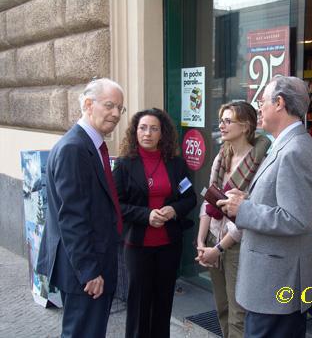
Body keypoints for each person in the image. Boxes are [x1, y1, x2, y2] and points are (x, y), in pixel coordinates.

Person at [218, 76, 312, 337]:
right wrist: (246, 199)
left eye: (262, 101)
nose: (259, 107)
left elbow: (296, 218)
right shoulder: (288, 145)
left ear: (279, 103)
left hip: (275, 286)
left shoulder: (294, 150)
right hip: (273, 284)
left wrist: (242, 208)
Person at [36, 78, 125, 337]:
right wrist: (89, 272)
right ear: (88, 104)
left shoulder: (90, 145)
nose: (116, 114)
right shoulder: (74, 148)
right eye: (110, 105)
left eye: (121, 108)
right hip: (84, 272)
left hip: (92, 265)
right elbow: (72, 218)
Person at [113, 108, 197, 338]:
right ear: (135, 131)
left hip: (169, 244)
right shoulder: (123, 164)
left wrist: (173, 210)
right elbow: (116, 205)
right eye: (142, 128)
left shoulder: (176, 164)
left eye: (153, 128)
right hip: (138, 246)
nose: (147, 133)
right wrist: (146, 215)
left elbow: (190, 198)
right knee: (139, 303)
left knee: (163, 302)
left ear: (163, 133)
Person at [196, 101, 271, 338]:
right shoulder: (221, 157)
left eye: (228, 121)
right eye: (221, 120)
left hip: (237, 245)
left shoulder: (259, 163)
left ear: (246, 126)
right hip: (213, 238)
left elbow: (246, 213)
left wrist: (218, 248)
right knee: (222, 308)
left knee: (238, 314)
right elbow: (209, 200)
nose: (222, 125)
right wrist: (201, 241)